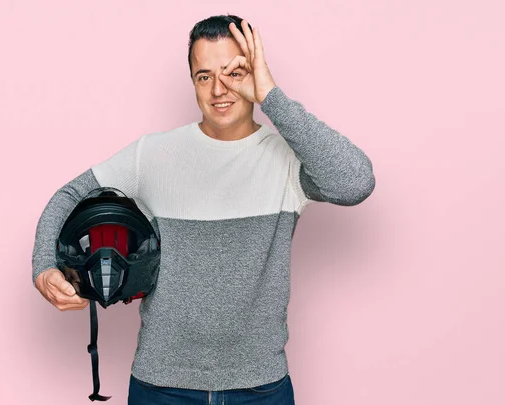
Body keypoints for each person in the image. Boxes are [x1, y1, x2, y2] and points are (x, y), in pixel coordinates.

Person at [32, 14, 375, 405]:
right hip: (161, 384)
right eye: (204, 76)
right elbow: (69, 195)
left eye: (234, 72)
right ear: (192, 81)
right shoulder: (153, 155)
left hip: (261, 386)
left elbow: (355, 182)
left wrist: (270, 95)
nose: (219, 89)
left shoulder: (288, 162)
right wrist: (44, 267)